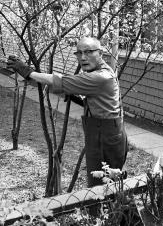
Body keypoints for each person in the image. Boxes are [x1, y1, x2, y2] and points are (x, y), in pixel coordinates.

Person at [7, 37, 128, 187]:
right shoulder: (101, 71)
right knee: (112, 181)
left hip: (104, 136)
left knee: (102, 185)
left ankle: (107, 210)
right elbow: (97, 98)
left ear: (101, 53)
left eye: (89, 52)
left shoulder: (100, 77)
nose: (83, 58)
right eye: (79, 53)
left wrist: (27, 72)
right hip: (107, 132)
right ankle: (120, 209)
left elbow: (61, 81)